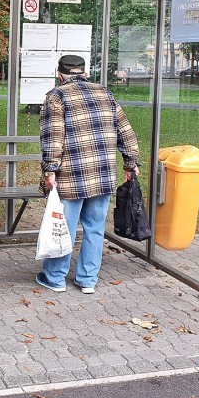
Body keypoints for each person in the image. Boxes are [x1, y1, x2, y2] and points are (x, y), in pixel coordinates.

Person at [37, 54, 141, 294]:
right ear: (83, 72)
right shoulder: (105, 93)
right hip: (103, 174)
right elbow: (125, 130)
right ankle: (87, 280)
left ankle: (55, 278)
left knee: (65, 227)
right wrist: (130, 162)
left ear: (60, 74)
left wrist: (50, 170)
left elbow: (53, 136)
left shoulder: (57, 96)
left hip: (71, 175)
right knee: (94, 227)